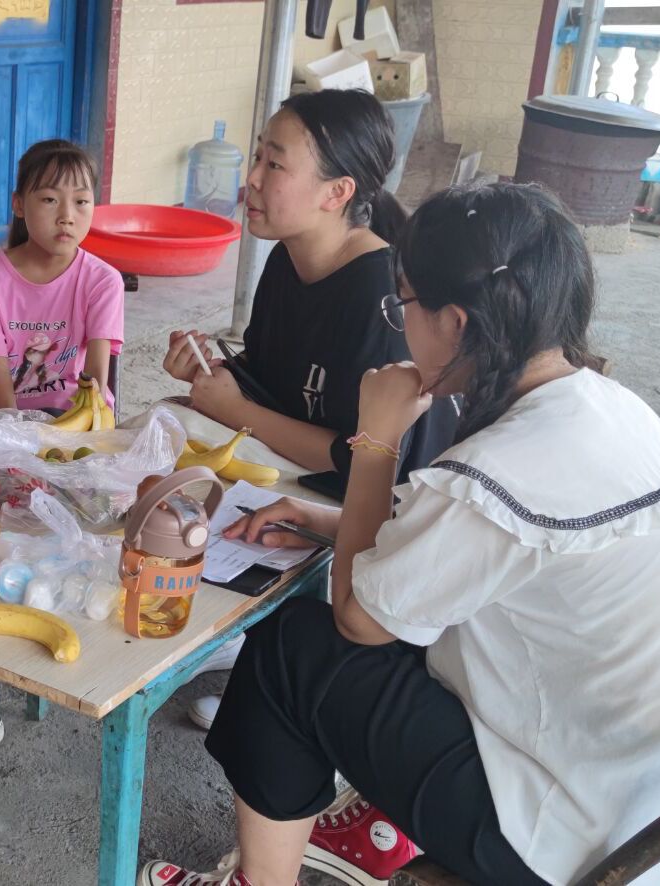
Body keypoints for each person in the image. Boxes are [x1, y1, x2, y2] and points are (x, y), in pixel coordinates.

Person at [141, 182, 660, 886]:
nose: (399, 321)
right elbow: (492, 556)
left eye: (404, 304)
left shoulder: (493, 474)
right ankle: (378, 828)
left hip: (550, 830)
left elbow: (359, 620)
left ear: (455, 322)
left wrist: (377, 439)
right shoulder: (616, 409)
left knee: (291, 647)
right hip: (637, 807)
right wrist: (334, 523)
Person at [161, 89, 457, 730]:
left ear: (337, 192)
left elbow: (360, 461)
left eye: (275, 164)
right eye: (257, 158)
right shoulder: (286, 261)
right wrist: (212, 373)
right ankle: (245, 641)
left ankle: (276, 662)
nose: (252, 180)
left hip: (372, 502)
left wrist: (234, 412)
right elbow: (270, 381)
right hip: (291, 474)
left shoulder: (382, 299)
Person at [0, 138, 125, 748]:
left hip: (76, 439)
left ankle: (63, 640)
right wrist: (24, 453)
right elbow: (2, 396)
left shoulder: (101, 280)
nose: (67, 216)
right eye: (50, 200)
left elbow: (97, 388)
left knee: (91, 544)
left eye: (82, 201)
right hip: (6, 435)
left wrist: (72, 451)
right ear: (19, 204)